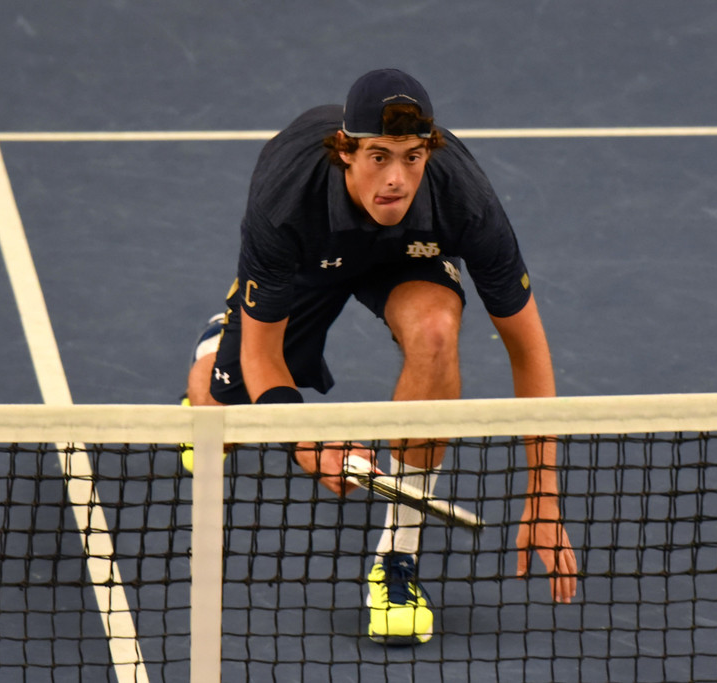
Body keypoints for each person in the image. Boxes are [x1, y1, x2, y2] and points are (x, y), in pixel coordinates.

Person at [185, 68, 577, 644]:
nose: (397, 179)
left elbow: (528, 348)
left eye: (413, 157)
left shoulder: (464, 200)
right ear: (346, 152)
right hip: (310, 256)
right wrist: (305, 440)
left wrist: (544, 493)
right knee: (215, 409)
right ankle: (221, 331)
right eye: (379, 157)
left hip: (409, 257)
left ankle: (397, 561)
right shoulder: (284, 202)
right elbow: (265, 354)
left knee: (438, 333)